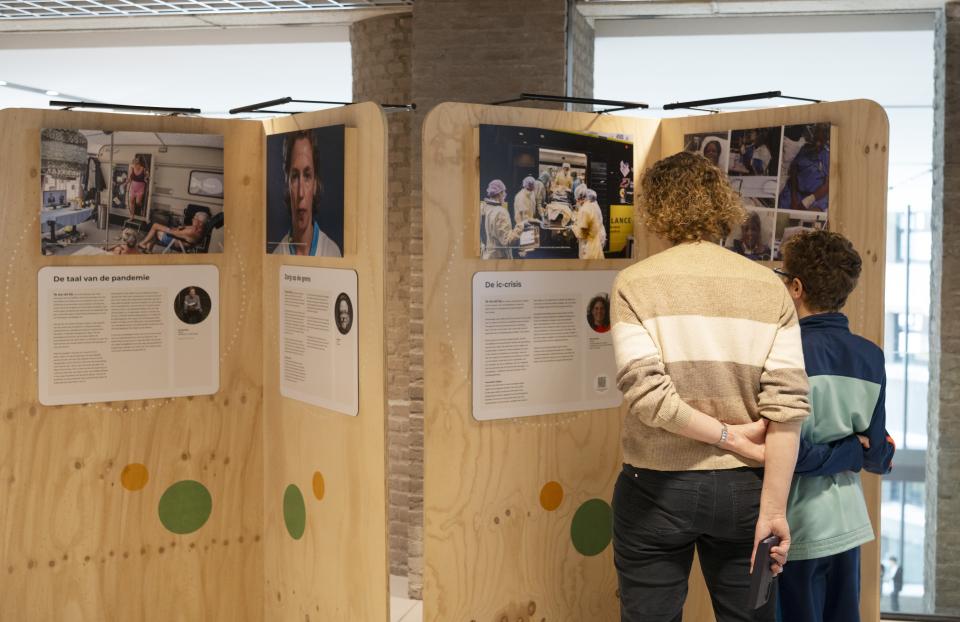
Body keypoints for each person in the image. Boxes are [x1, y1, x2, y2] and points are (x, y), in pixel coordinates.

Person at [611, 151, 809, 622]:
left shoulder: (635, 283)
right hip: (747, 490)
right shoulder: (769, 287)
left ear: (656, 209)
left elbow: (648, 398)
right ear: (723, 204)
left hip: (655, 489)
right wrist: (773, 509)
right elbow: (788, 407)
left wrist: (727, 437)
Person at [775, 232, 896, 622]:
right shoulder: (870, 356)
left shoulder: (784, 353)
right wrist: (851, 450)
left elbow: (789, 452)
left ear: (796, 287)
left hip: (797, 528)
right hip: (849, 524)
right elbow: (877, 455)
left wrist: (840, 451)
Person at [272, 130, 342, 257]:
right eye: (294, 177)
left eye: (307, 176)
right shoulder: (276, 256)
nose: (300, 193)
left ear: (315, 184)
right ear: (287, 184)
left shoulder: (332, 253)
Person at [779, 125, 829, 212]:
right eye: (816, 139)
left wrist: (807, 201)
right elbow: (794, 170)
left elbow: (827, 185)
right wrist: (794, 197)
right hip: (796, 192)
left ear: (825, 140)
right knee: (784, 212)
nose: (818, 143)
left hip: (816, 197)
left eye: (821, 141)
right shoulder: (804, 150)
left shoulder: (827, 156)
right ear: (813, 136)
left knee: (811, 215)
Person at [480, 179, 524, 259]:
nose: (505, 194)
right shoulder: (500, 212)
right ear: (499, 193)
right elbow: (507, 241)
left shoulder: (483, 207)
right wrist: (520, 227)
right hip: (499, 259)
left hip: (486, 257)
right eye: (504, 192)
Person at [138, 210, 209, 253]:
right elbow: (184, 227)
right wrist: (181, 227)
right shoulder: (199, 229)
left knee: (155, 226)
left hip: (176, 242)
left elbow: (174, 233)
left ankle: (143, 243)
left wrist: (167, 228)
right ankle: (148, 248)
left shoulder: (191, 232)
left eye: (195, 219)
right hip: (179, 239)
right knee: (156, 230)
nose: (193, 219)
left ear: (200, 222)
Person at [573, 187, 606, 260]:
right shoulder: (593, 206)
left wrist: (573, 227)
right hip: (595, 241)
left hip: (590, 246)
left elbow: (582, 234)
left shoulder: (586, 209)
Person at [126, 155, 149, 220]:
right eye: (134, 165)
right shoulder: (132, 168)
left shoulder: (143, 169)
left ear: (139, 164)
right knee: (131, 201)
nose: (135, 166)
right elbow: (130, 178)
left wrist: (146, 177)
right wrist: (125, 183)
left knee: (138, 202)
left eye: (136, 165)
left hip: (140, 188)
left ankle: (141, 207)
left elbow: (147, 177)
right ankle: (132, 216)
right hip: (133, 187)